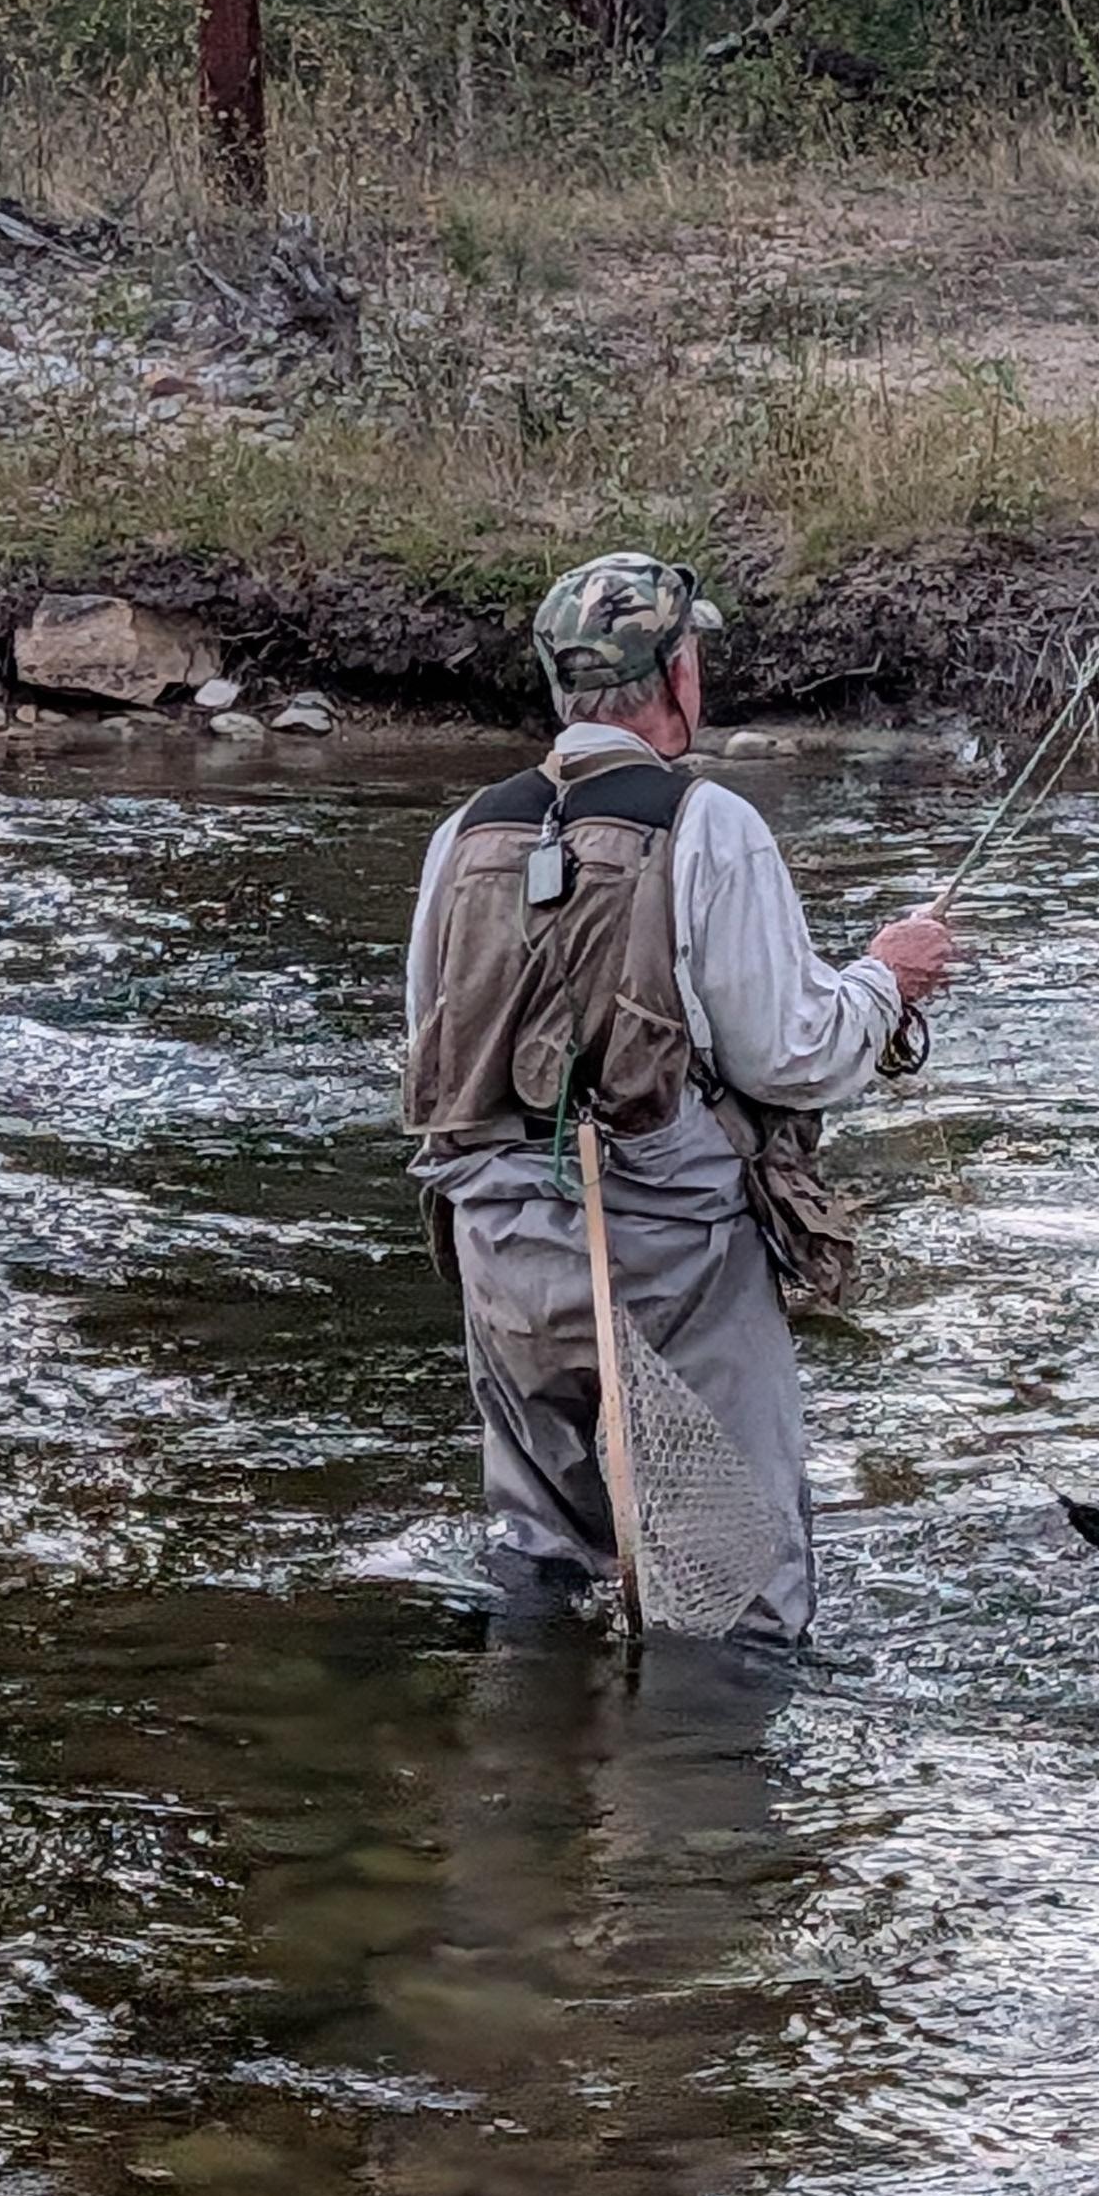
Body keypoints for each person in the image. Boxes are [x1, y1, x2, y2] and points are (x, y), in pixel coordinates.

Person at [401, 551, 959, 1643]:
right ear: (678, 676)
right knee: (735, 1584)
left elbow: (428, 1035)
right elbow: (792, 1056)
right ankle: (703, 1750)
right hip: (671, 1260)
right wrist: (886, 979)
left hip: (499, 1252)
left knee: (541, 1560)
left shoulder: (463, 834)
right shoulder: (711, 825)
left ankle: (524, 1734)